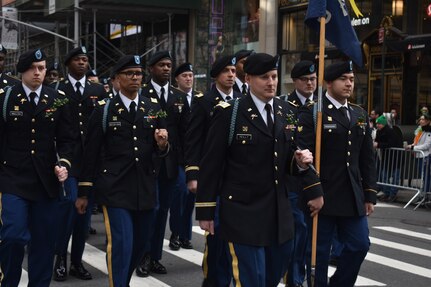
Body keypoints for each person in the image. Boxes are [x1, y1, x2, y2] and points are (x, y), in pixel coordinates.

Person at [196, 53, 323, 286]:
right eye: (264, 77)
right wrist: (205, 211)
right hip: (243, 212)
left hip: (278, 212)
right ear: (249, 79)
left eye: (274, 76)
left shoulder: (286, 111)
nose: (271, 82)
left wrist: (300, 163)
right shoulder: (229, 113)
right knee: (252, 279)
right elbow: (211, 163)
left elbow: (287, 159)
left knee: (273, 273)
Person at [75, 55, 169, 287]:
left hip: (145, 187)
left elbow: (161, 150)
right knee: (122, 243)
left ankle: (123, 282)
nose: (135, 78)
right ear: (117, 79)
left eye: (138, 73)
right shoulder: (104, 110)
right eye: (129, 74)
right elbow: (91, 153)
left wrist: (163, 145)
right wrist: (84, 191)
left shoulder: (153, 108)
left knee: (140, 244)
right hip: (114, 188)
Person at [296, 60, 378, 287]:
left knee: (360, 245)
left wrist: (369, 194)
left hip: (352, 195)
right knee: (318, 255)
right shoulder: (313, 112)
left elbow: (366, 158)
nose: (349, 84)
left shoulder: (359, 113)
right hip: (323, 195)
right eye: (343, 79)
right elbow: (303, 155)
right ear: (329, 82)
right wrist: (312, 191)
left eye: (351, 79)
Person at [0, 48, 73, 287]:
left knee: (44, 242)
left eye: (42, 68)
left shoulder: (57, 99)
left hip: (46, 181)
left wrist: (63, 164)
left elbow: (67, 140)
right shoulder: (6, 97)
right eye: (33, 68)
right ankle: (9, 281)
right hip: (12, 178)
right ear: (22, 71)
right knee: (13, 236)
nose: (38, 73)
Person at [184, 55, 242, 287]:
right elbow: (194, 141)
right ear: (216, 75)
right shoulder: (204, 101)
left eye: (233, 71)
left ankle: (225, 278)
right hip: (212, 177)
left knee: (234, 237)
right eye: (226, 71)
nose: (231, 75)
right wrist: (193, 174)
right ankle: (213, 281)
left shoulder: (241, 100)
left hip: (235, 178)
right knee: (216, 236)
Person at [51, 46, 107, 282]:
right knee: (70, 210)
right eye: (77, 59)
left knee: (84, 220)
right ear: (68, 64)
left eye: (85, 59)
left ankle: (77, 262)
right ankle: (60, 259)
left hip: (91, 160)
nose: (82, 63)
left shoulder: (97, 90)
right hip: (68, 158)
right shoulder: (56, 89)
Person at [136, 50, 189, 277]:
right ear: (151, 69)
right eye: (161, 65)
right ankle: (143, 255)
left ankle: (155, 256)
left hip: (171, 165)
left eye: (169, 65)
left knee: (163, 211)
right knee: (150, 210)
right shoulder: (142, 93)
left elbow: (187, 133)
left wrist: (187, 166)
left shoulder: (178, 97)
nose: (166, 69)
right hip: (148, 164)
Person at [283, 60, 317, 287]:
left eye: (313, 79)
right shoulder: (285, 106)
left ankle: (309, 276)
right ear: (295, 81)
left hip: (318, 181)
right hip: (295, 181)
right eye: (305, 79)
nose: (310, 83)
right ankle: (294, 280)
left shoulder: (322, 106)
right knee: (299, 231)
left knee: (313, 237)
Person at [169, 62, 202, 251]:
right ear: (177, 79)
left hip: (195, 156)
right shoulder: (173, 98)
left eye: (190, 75)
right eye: (184, 76)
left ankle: (185, 235)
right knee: (180, 193)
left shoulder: (200, 98)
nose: (188, 79)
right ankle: (175, 232)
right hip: (179, 155)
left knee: (192, 196)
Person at [374, 115, 403, 202]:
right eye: (377, 124)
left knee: (395, 177)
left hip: (395, 158)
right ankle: (386, 193)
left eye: (379, 124)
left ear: (383, 124)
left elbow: (391, 143)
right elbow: (378, 140)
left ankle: (392, 194)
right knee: (384, 176)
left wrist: (378, 145)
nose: (377, 125)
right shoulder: (379, 131)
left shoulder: (390, 131)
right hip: (386, 158)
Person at [405, 114, 431, 197]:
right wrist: (411, 146)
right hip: (419, 156)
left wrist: (413, 147)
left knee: (426, 176)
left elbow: (426, 145)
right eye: (420, 119)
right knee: (423, 176)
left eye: (423, 119)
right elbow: (417, 142)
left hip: (425, 156)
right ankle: (424, 195)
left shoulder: (429, 131)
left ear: (428, 121)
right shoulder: (422, 130)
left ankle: (425, 195)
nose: (421, 121)